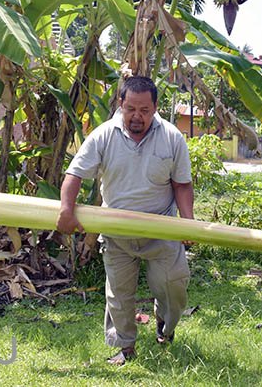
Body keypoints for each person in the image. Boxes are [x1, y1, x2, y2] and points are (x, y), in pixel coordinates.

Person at [56, 75, 194, 366]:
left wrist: (188, 222)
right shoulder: (103, 135)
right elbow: (75, 174)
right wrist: (66, 210)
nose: (137, 116)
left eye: (144, 110)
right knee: (119, 294)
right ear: (120, 104)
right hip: (116, 230)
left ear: (155, 107)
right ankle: (125, 348)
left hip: (162, 229)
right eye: (131, 108)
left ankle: (165, 329)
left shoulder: (172, 137)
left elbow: (182, 185)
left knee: (173, 287)